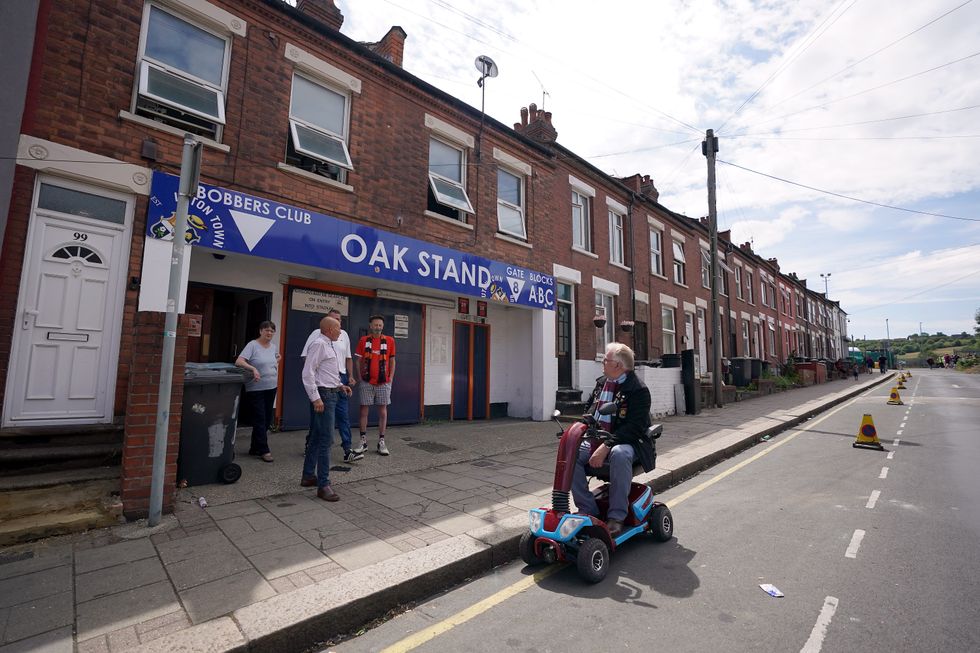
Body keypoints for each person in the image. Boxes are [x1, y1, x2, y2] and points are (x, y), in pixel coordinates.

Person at [571, 343, 654, 538]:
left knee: (619, 454)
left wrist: (606, 446)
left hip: (631, 441)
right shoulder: (602, 384)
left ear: (618, 365)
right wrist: (581, 428)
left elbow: (634, 428)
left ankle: (616, 516)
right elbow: (589, 410)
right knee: (571, 453)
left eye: (605, 360)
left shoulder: (638, 390)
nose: (602, 363)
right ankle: (588, 509)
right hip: (598, 437)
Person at [300, 316, 352, 501]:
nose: (340, 331)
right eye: (338, 328)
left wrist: (340, 385)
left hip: (331, 393)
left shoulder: (329, 344)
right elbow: (308, 373)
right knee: (326, 440)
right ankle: (323, 485)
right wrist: (316, 398)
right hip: (324, 397)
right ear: (329, 329)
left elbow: (327, 372)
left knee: (316, 436)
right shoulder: (319, 344)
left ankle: (308, 476)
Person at [301, 309, 361, 463]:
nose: (338, 324)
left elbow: (348, 357)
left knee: (343, 415)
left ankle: (347, 450)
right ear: (328, 324)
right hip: (323, 383)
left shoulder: (343, 335)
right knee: (319, 420)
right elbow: (308, 362)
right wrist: (316, 383)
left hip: (339, 378)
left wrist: (349, 376)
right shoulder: (317, 336)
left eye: (339, 320)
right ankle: (311, 447)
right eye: (335, 320)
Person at [235, 321, 280, 462]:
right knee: (260, 418)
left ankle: (255, 447)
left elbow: (275, 359)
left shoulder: (273, 347)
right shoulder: (252, 345)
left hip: (271, 386)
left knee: (266, 419)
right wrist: (253, 369)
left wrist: (277, 360)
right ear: (260, 331)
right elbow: (239, 361)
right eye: (267, 330)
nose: (269, 333)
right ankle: (264, 450)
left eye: (272, 331)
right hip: (256, 388)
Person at [355, 314, 396, 456]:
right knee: (363, 411)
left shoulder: (390, 341)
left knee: (383, 411)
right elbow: (358, 360)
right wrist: (360, 377)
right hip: (366, 382)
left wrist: (390, 378)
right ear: (370, 326)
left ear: (382, 326)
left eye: (380, 325)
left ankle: (381, 441)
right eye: (375, 325)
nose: (377, 327)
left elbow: (392, 361)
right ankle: (363, 441)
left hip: (384, 382)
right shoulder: (363, 340)